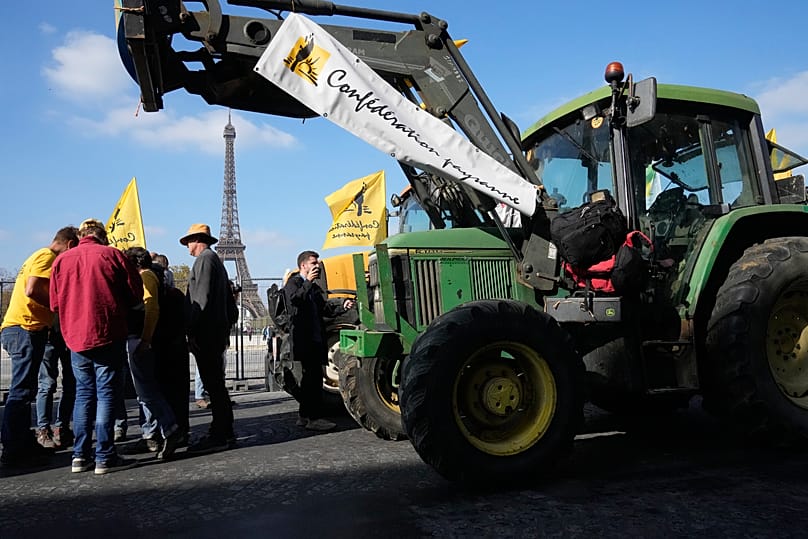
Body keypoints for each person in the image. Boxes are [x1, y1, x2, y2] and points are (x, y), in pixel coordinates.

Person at [50, 219, 142, 475]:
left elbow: (55, 305)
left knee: (83, 394)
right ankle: (104, 455)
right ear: (103, 236)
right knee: (106, 394)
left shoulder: (61, 261)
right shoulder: (112, 255)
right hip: (107, 332)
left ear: (81, 236)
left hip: (76, 337)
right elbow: (135, 293)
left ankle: (80, 456)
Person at [0, 226, 78, 467]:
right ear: (70, 245)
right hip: (26, 328)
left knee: (27, 389)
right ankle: (13, 448)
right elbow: (32, 289)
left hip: (21, 328)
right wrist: (58, 306)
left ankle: (23, 442)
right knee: (21, 391)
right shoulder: (47, 257)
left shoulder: (36, 255)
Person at [122, 247, 182, 460]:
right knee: (146, 390)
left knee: (145, 391)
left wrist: (145, 339)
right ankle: (161, 429)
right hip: (145, 339)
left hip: (139, 339)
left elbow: (151, 308)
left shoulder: (146, 277)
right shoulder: (154, 276)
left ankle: (168, 428)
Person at [284, 250, 354, 431]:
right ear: (303, 266)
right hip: (304, 339)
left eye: (317, 263)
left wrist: (342, 307)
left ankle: (304, 416)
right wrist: (308, 282)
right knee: (311, 380)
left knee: (311, 379)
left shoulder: (313, 287)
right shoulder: (294, 283)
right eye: (314, 263)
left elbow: (325, 310)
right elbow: (294, 302)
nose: (317, 266)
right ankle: (313, 418)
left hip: (316, 338)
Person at [181, 223, 236, 454]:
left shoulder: (204, 260)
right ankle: (225, 431)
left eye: (188, 242)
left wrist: (191, 329)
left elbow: (200, 301)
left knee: (213, 385)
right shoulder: (215, 261)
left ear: (196, 240)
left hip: (206, 333)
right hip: (216, 331)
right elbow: (231, 308)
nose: (187, 247)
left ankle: (219, 433)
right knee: (217, 385)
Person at [34, 315, 75, 450]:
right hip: (68, 332)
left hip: (50, 332)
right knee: (69, 384)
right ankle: (60, 428)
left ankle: (44, 430)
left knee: (47, 384)